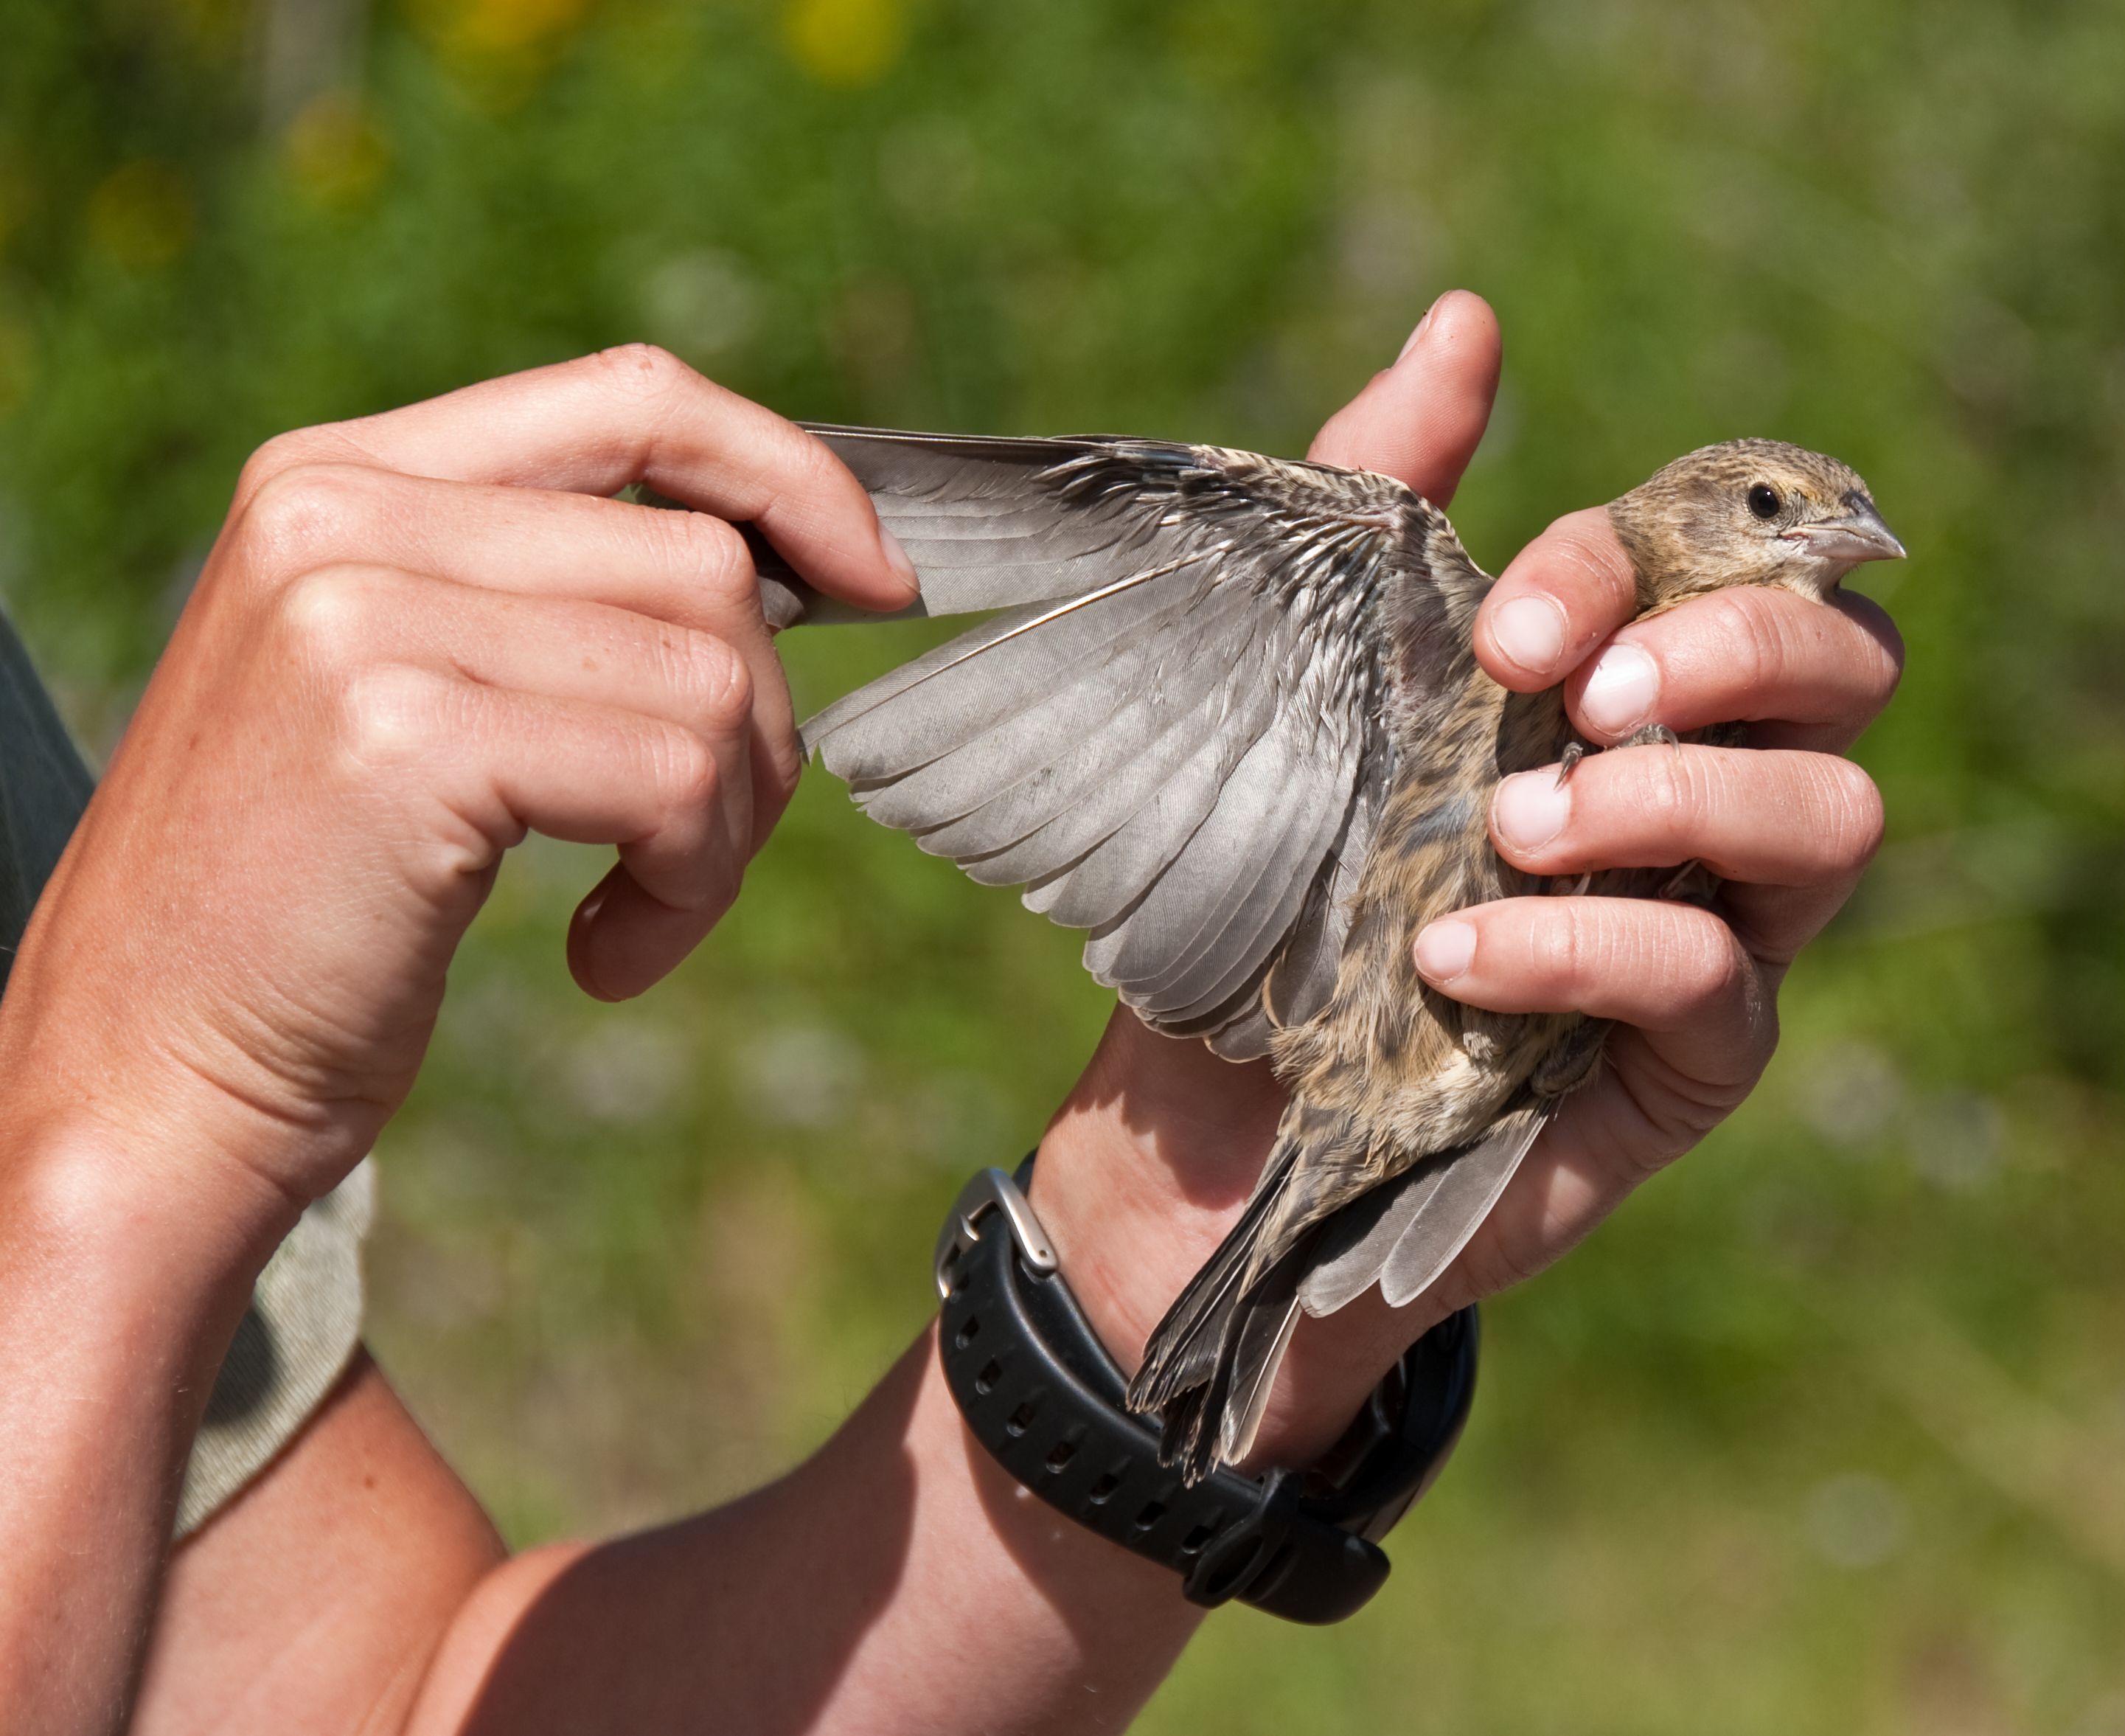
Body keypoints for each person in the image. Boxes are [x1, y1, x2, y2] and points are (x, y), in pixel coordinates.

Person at [0, 292, 1899, 1735]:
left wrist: (1140, 1263)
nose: (1836, 536)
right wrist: (156, 1124)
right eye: (1772, 507)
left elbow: (397, 1700)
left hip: (1363, 1094)